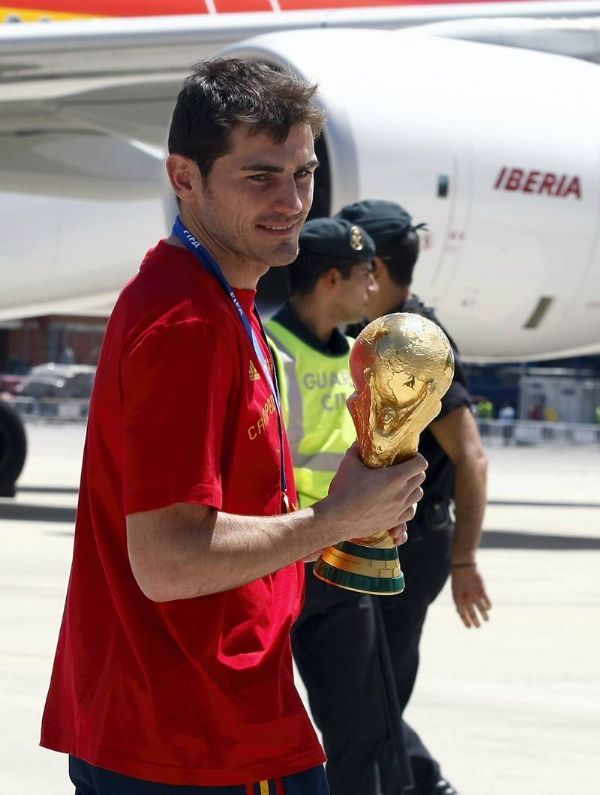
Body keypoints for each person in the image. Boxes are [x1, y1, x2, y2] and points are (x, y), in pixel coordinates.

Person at [40, 61, 428, 795]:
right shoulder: (186, 321)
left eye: (304, 172)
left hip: (185, 718)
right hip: (195, 732)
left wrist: (352, 518)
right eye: (260, 177)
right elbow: (168, 559)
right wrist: (338, 517)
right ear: (183, 177)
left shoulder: (220, 301)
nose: (292, 201)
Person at [287, 199, 490, 795]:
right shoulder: (354, 335)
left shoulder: (413, 341)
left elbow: (470, 453)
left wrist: (463, 562)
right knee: (366, 704)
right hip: (347, 542)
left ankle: (419, 784)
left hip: (406, 544)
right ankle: (422, 783)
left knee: (372, 703)